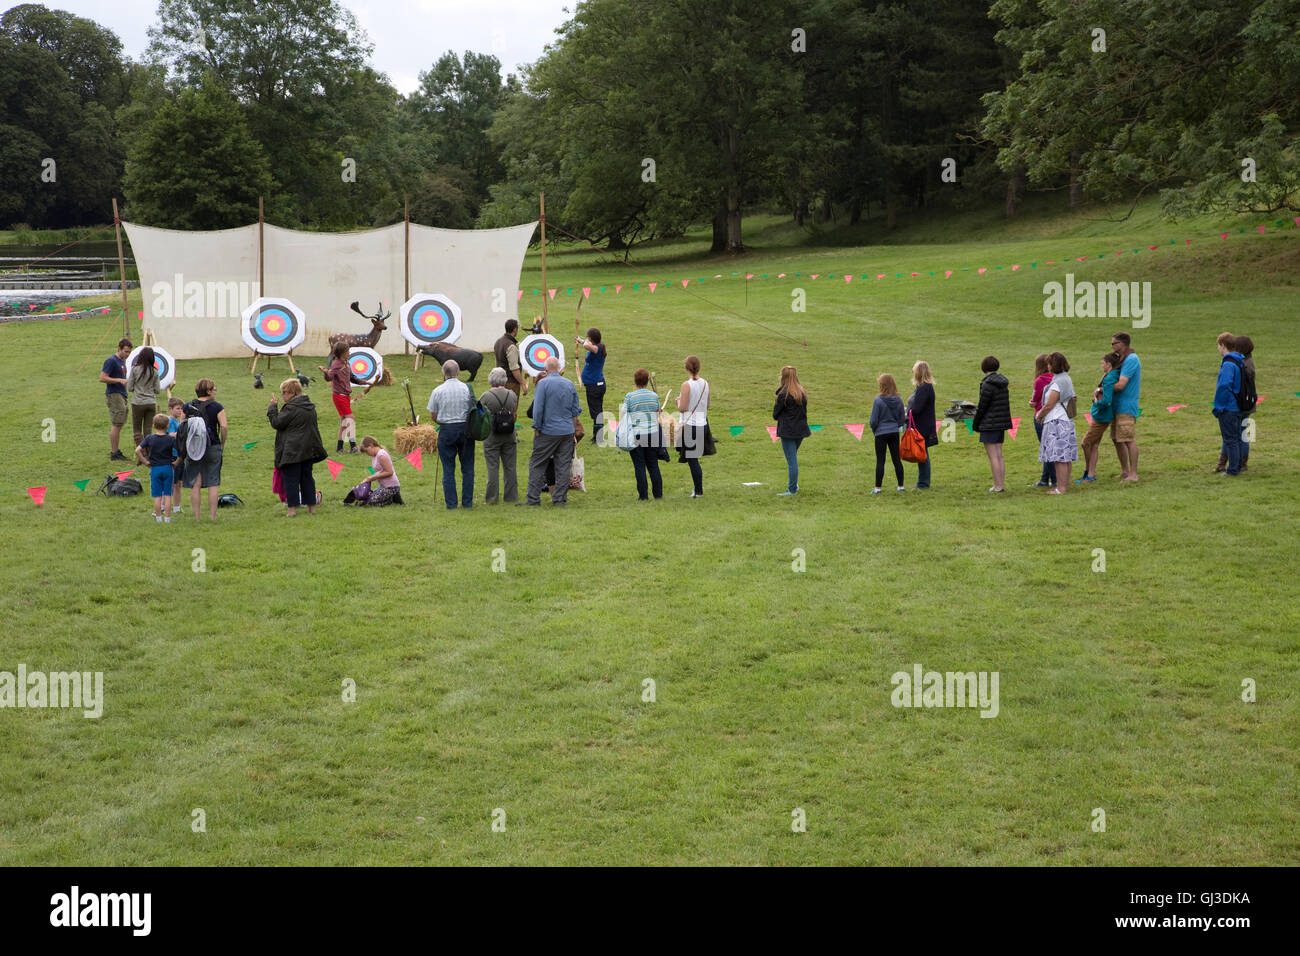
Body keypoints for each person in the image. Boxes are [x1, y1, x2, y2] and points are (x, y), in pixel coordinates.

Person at [523, 356, 582, 506]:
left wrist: (537, 426)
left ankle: (533, 499)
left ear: (546, 369)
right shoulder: (569, 384)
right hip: (566, 431)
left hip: (547, 431)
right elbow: (575, 409)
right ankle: (559, 499)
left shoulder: (543, 384)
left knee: (537, 464)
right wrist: (573, 426)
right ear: (559, 368)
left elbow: (538, 409)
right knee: (563, 466)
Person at [268, 378, 327, 516]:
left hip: (293, 450)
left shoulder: (291, 408)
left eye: (285, 392)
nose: (283, 395)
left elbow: (277, 423)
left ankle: (292, 510)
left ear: (293, 393)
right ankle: (312, 508)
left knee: (291, 480)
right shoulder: (309, 406)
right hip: (308, 449)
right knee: (307, 478)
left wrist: (272, 408)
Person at [426, 359, 476, 509]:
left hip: (446, 430)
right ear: (458, 372)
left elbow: (433, 416)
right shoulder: (467, 389)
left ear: (444, 374)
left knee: (448, 469)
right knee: (467, 467)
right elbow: (472, 410)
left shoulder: (437, 391)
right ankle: (467, 503)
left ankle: (451, 504)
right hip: (465, 429)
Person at [180, 378, 228, 521]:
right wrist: (222, 443)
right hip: (212, 445)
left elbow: (182, 427)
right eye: (213, 389)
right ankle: (213, 517)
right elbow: (224, 426)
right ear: (208, 391)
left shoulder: (187, 406)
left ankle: (197, 517)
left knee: (196, 482)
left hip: (193, 448)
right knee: (213, 482)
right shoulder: (217, 406)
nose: (215, 391)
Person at [1034, 352, 1077, 493]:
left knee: (1059, 457)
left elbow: (1049, 404)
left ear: (1053, 365)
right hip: (1066, 420)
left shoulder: (1058, 382)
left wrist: (1039, 415)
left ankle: (1061, 488)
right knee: (1066, 457)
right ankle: (1065, 485)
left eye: (1049, 363)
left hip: (1057, 421)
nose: (1047, 366)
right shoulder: (1066, 378)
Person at [1075, 352, 1121, 483]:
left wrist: (1096, 401)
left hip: (1101, 417)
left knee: (1085, 443)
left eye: (1103, 363)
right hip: (1103, 416)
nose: (1101, 365)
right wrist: (1099, 391)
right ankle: (1090, 475)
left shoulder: (1109, 378)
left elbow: (1107, 401)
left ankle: (1088, 472)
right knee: (1094, 445)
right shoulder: (1112, 375)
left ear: (1109, 364)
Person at [620, 367, 663, 500]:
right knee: (653, 464)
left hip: (636, 434)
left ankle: (643, 496)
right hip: (652, 433)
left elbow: (623, 415)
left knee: (639, 466)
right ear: (647, 381)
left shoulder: (630, 396)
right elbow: (657, 412)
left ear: (635, 381)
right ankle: (658, 494)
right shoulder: (654, 396)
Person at [1104, 331, 1141, 481]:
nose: (1112, 346)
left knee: (1127, 439)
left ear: (1122, 344)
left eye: (1114, 343)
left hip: (1126, 406)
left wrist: (1103, 389)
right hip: (1116, 406)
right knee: (1116, 438)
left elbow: (1121, 385)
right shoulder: (1123, 359)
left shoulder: (1131, 359)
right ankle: (1125, 470)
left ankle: (1133, 473)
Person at [971, 356, 1011, 492]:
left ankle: (998, 486)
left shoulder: (987, 384)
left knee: (993, 456)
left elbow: (983, 407)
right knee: (999, 455)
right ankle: (1000, 484)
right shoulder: (1003, 383)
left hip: (989, 423)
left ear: (983, 368)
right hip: (1000, 422)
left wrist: (975, 424)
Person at [480, 367, 519, 503]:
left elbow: (479, 414)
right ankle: (511, 496)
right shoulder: (512, 394)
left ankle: (492, 498)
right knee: (510, 467)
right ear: (505, 379)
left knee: (492, 467)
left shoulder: (485, 396)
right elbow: (514, 412)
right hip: (510, 434)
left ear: (491, 379)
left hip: (492, 435)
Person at [772, 365, 811, 495]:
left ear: (783, 377)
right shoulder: (802, 392)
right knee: (792, 458)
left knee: (791, 461)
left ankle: (792, 489)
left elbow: (775, 415)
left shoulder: (783, 395)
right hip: (800, 430)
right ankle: (794, 484)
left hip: (788, 431)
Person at [676, 355, 711, 498]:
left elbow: (683, 408)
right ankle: (698, 489)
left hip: (690, 426)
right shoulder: (705, 383)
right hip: (702, 424)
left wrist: (677, 402)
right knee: (693, 459)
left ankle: (698, 491)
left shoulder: (687, 385)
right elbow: (707, 404)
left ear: (686, 368)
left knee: (692, 460)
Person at [1213, 332, 1246, 478]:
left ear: (1223, 345)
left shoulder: (1228, 364)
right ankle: (1237, 466)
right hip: (1238, 405)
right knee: (1237, 438)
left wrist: (1218, 407)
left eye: (1218, 346)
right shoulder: (1239, 361)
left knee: (1230, 439)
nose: (1218, 349)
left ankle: (1232, 470)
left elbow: (1224, 386)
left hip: (1228, 407)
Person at [1220, 335, 1255, 473]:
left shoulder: (1240, 363)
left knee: (1234, 436)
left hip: (1241, 404)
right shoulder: (1248, 361)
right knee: (1241, 435)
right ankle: (1239, 463)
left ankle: (1234, 464)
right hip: (1248, 403)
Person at [135, 413, 177, 523]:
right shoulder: (171, 439)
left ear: (153, 426)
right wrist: (176, 462)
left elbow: (137, 450)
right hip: (168, 468)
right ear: (167, 426)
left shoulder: (149, 438)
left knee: (157, 496)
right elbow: (182, 452)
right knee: (167, 495)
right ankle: (168, 518)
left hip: (155, 469)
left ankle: (158, 519)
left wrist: (145, 461)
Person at [869, 373, 907, 493]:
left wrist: (875, 430)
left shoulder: (878, 400)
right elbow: (902, 419)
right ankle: (901, 486)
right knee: (896, 459)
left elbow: (873, 420)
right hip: (894, 432)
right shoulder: (899, 399)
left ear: (882, 385)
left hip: (880, 433)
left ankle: (877, 488)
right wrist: (897, 426)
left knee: (881, 460)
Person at [320, 341, 357, 454]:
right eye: (347, 351)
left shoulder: (346, 362)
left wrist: (366, 382)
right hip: (339, 396)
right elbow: (329, 378)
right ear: (342, 353)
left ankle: (339, 448)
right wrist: (326, 372)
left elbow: (352, 377)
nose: (349, 353)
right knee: (350, 419)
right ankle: (353, 447)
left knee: (344, 421)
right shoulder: (336, 364)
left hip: (345, 396)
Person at [99, 338, 132, 460]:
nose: (127, 354)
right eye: (125, 351)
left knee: (121, 422)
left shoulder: (122, 361)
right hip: (114, 394)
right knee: (117, 423)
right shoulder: (111, 361)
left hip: (122, 394)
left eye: (129, 352)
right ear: (119, 349)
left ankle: (116, 450)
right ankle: (114, 453)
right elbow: (102, 378)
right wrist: (118, 380)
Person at [906, 361, 938, 489]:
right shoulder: (923, 387)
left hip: (923, 426)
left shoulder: (924, 388)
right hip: (923, 425)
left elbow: (917, 408)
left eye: (914, 370)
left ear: (918, 373)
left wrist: (907, 413)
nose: (912, 372)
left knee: (922, 454)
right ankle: (923, 482)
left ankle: (923, 483)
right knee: (922, 453)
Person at [1028, 353, 1055, 488]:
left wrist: (1031, 403)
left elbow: (1034, 401)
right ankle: (1045, 479)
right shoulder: (1056, 378)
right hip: (1054, 415)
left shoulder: (1039, 381)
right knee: (1049, 447)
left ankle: (1054, 480)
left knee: (1046, 449)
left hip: (1041, 415)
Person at [127, 345, 160, 450]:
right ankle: (149, 452)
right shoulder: (154, 371)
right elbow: (157, 390)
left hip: (137, 403)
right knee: (148, 430)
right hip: (151, 403)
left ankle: (141, 453)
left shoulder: (135, 369)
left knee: (137, 430)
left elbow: (130, 388)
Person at [577, 327, 607, 444]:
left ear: (591, 339)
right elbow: (587, 345)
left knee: (596, 412)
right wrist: (581, 340)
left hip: (594, 386)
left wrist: (583, 342)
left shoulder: (597, 349)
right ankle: (597, 436)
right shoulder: (600, 345)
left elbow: (587, 346)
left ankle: (598, 438)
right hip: (598, 384)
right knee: (597, 411)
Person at [358, 436, 403, 506]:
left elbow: (390, 472)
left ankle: (392, 498)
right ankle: (392, 498)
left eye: (366, 451)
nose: (367, 454)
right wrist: (369, 479)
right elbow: (379, 471)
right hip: (383, 486)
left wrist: (372, 478)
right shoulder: (374, 456)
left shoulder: (381, 455)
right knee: (367, 499)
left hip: (391, 487)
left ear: (371, 445)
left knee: (371, 503)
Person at [493, 318, 528, 398]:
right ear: (515, 329)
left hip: (498, 381)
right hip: (510, 383)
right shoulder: (511, 346)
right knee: (512, 408)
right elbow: (514, 369)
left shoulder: (498, 341)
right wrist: (523, 383)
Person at [166, 397, 186, 514]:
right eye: (178, 408)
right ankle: (164, 507)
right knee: (172, 484)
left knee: (179, 483)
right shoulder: (169, 421)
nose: (180, 411)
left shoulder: (178, 422)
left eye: (182, 409)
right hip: (172, 456)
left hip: (179, 455)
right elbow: (170, 435)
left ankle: (177, 507)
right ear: (170, 409)